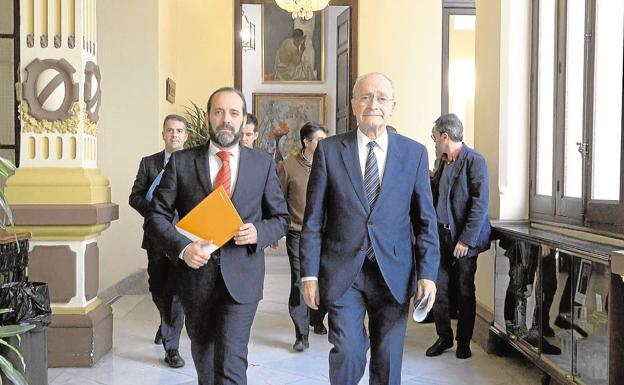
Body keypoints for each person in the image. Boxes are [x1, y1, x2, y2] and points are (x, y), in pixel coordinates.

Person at [300, 72, 440, 385]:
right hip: (342, 271)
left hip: (394, 273)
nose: (372, 104)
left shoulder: (414, 153)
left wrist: (428, 274)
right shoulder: (330, 150)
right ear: (353, 105)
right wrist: (309, 275)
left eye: (380, 98)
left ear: (392, 106)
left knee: (388, 362)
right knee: (348, 353)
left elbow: (425, 221)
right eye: (365, 97)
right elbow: (313, 219)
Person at [145, 87, 289, 385]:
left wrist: (258, 232)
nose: (226, 119)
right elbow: (156, 216)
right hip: (195, 281)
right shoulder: (182, 162)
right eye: (219, 112)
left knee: (231, 366)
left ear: (243, 119)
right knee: (207, 368)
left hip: (243, 280)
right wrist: (183, 248)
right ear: (209, 116)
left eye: (234, 113)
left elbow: (281, 219)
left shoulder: (262, 164)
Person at [426, 113, 491, 359]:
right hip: (441, 237)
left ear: (445, 136)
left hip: (464, 240)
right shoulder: (442, 162)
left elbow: (480, 203)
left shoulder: (475, 161)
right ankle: (444, 337)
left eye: (434, 137)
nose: (433, 141)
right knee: (439, 288)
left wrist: (466, 240)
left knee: (464, 290)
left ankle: (464, 342)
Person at [129, 114, 189, 368]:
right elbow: (135, 197)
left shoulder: (194, 163)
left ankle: (171, 346)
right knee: (157, 288)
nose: (174, 135)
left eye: (179, 131)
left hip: (184, 238)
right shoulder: (149, 163)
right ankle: (166, 321)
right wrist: (155, 211)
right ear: (163, 134)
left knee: (176, 292)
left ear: (186, 136)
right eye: (169, 130)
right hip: (156, 238)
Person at [278, 122, 328, 352]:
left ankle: (317, 318)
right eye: (320, 140)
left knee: (325, 278)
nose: (324, 145)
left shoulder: (329, 163)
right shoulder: (288, 166)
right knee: (301, 280)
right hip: (297, 233)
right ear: (307, 142)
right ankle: (301, 333)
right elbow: (277, 198)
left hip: (326, 234)